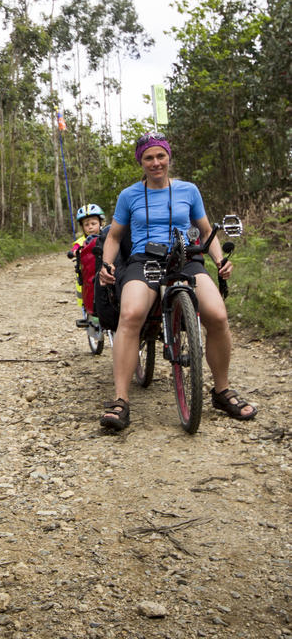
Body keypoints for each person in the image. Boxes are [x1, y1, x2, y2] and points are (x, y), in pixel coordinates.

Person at [97, 131, 257, 431]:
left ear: (168, 157)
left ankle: (222, 391)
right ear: (140, 161)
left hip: (186, 258)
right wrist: (106, 264)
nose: (156, 163)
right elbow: (115, 236)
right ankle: (120, 400)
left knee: (218, 316)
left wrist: (220, 260)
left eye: (160, 156)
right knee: (130, 315)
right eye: (149, 158)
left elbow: (206, 231)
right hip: (145, 261)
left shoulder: (189, 190)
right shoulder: (129, 195)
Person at [68, 204, 105, 323]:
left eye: (93, 223)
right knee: (86, 292)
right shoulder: (80, 241)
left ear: (100, 223)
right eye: (86, 224)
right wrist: (74, 252)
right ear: (82, 227)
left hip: (103, 269)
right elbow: (75, 249)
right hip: (87, 273)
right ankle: (87, 312)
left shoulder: (106, 237)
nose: (90, 227)